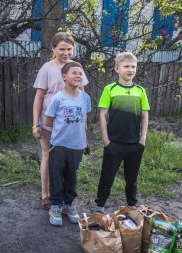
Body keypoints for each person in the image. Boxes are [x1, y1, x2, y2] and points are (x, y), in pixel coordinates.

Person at [32, 32, 88, 210]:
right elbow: (38, 98)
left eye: (69, 49)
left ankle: (64, 196)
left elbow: (82, 98)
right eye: (61, 49)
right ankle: (45, 194)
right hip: (48, 122)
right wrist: (35, 124)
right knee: (48, 155)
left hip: (70, 124)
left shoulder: (77, 68)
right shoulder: (47, 69)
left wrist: (83, 127)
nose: (65, 53)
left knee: (67, 161)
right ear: (53, 49)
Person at [95, 52, 150, 214]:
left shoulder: (140, 91)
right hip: (114, 143)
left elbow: (145, 115)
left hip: (134, 144)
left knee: (132, 178)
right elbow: (102, 115)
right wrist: (106, 141)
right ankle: (100, 207)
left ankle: (132, 205)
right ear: (117, 68)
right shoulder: (109, 89)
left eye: (133, 67)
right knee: (107, 176)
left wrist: (142, 140)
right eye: (126, 66)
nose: (130, 70)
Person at [44, 61, 91, 226]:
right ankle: (55, 206)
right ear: (64, 77)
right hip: (59, 145)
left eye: (81, 73)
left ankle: (69, 205)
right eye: (74, 73)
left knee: (72, 176)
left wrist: (85, 141)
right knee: (56, 176)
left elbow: (84, 121)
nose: (78, 75)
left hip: (77, 146)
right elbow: (48, 121)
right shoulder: (57, 98)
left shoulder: (85, 98)